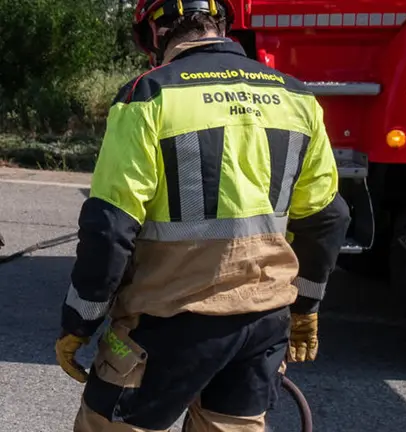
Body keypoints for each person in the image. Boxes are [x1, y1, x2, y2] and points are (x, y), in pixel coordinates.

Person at [53, 0, 350, 430]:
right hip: (264, 324)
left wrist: (79, 322)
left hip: (168, 321)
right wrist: (305, 308)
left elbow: (111, 227)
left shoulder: (149, 95)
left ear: (156, 35)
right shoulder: (296, 97)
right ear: (222, 25)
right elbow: (327, 218)